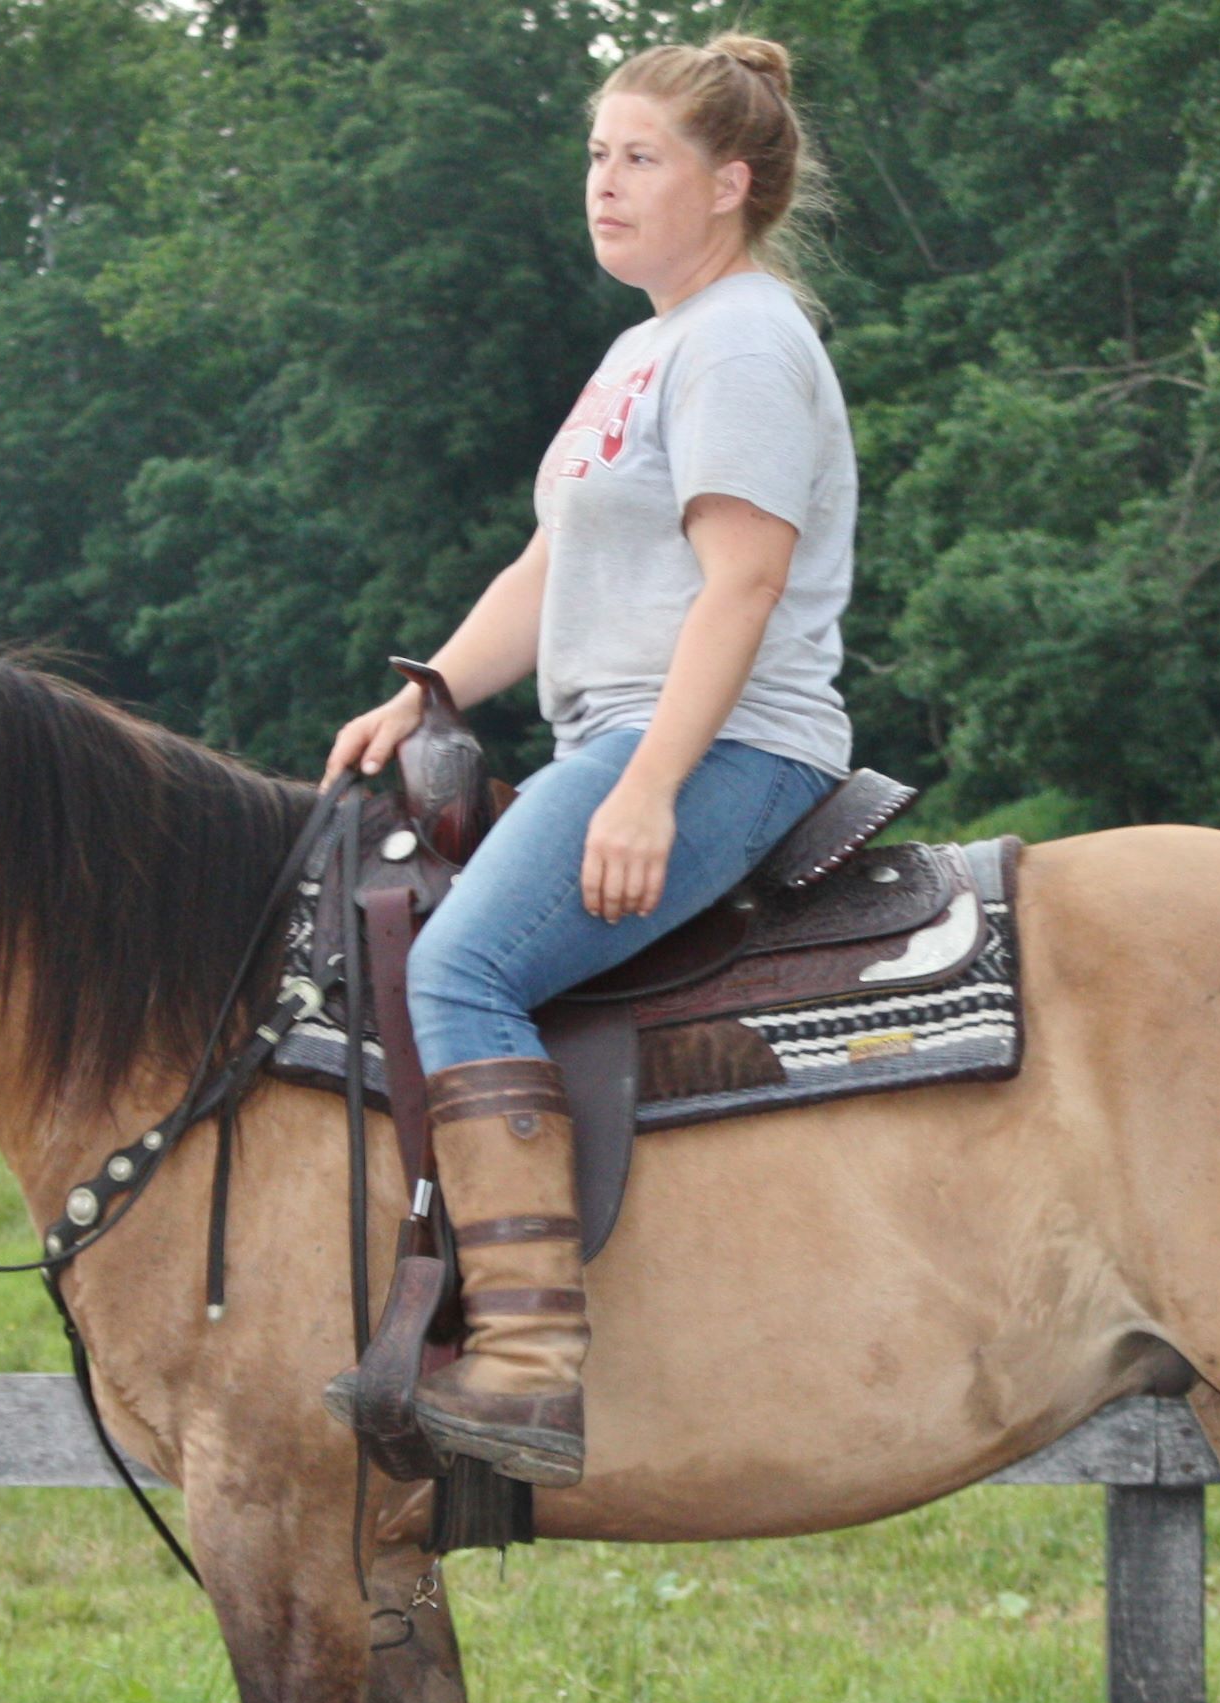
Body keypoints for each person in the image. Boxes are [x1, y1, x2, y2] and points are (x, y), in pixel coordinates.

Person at [323, 33, 856, 1489]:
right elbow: (555, 560)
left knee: (458, 970)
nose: (600, 186)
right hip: (624, 729)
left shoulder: (744, 338)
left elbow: (740, 585)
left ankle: (530, 1363)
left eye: (638, 160)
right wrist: (431, 682)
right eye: (593, 157)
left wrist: (644, 786)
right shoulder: (645, 345)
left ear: (728, 184)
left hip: (720, 741)